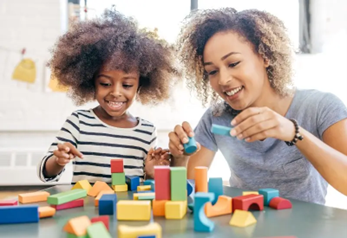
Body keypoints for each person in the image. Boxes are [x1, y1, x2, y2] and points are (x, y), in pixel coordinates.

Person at [169, 8, 347, 204]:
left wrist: (294, 132)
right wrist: (180, 158)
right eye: (212, 71)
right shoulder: (216, 118)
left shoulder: (320, 107)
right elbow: (187, 190)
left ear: (265, 56)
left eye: (234, 63)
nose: (223, 79)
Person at [37, 9, 179, 184]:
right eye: (105, 83)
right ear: (91, 82)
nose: (116, 92)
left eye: (127, 85)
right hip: (88, 210)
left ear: (139, 86)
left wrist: (150, 175)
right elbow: (45, 172)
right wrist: (58, 161)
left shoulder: (146, 131)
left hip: (127, 210)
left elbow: (143, 186)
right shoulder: (79, 122)